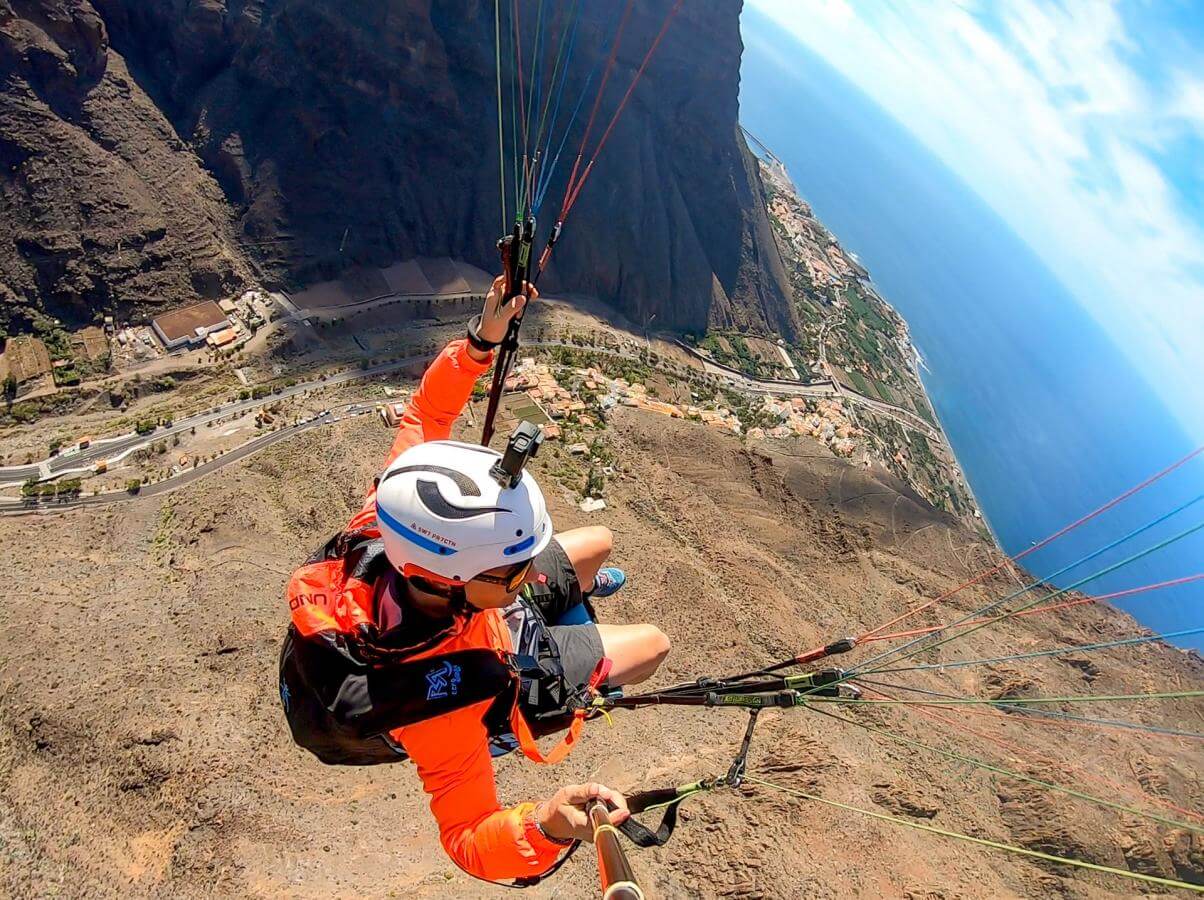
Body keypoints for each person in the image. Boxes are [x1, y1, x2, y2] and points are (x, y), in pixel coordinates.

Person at [278, 275, 672, 884]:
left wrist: (480, 342)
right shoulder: (439, 703)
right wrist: (546, 823)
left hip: (481, 616)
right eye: (512, 569)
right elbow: (466, 836)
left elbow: (427, 414)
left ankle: (575, 602)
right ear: (448, 579)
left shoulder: (387, 523)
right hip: (491, 658)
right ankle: (561, 679)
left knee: (596, 545)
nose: (526, 571)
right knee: (652, 644)